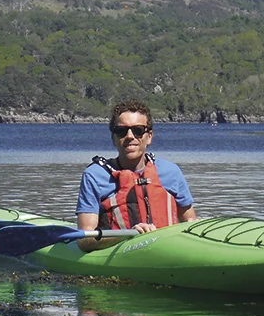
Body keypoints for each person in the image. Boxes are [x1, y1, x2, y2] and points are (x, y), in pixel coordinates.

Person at [75, 99, 198, 251]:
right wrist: (127, 235)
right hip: (121, 252)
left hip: (169, 249)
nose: (130, 136)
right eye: (121, 131)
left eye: (138, 130)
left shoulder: (170, 172)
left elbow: (190, 221)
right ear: (113, 138)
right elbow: (84, 240)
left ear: (149, 137)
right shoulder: (94, 176)